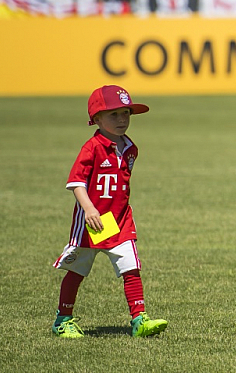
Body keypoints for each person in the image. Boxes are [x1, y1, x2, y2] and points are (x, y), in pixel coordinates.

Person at [52, 85, 168, 338]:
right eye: (113, 114)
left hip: (120, 219)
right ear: (96, 119)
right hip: (93, 221)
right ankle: (63, 319)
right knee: (78, 270)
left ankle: (139, 320)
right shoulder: (92, 147)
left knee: (131, 266)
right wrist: (89, 208)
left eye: (125, 113)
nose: (122, 119)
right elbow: (76, 182)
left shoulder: (130, 148)